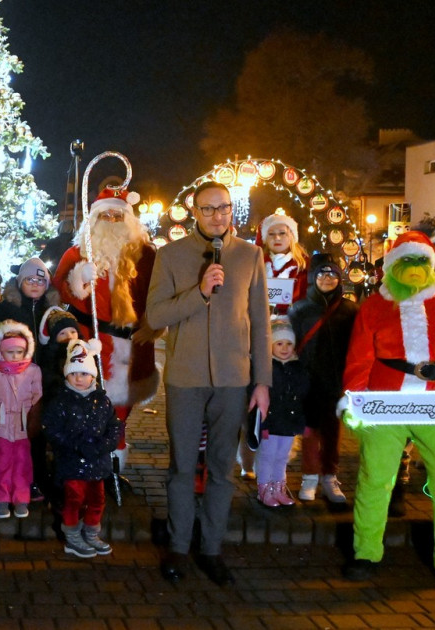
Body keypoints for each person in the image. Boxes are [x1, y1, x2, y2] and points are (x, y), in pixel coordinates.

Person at [341, 230, 435, 596]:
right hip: (385, 402)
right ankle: (366, 553)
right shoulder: (375, 305)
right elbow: (359, 356)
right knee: (375, 480)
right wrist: (354, 399)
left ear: (432, 263)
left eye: (421, 259)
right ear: (392, 265)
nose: (415, 267)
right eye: (407, 259)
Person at [145, 181, 271, 587]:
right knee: (182, 467)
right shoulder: (170, 255)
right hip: (186, 377)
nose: (218, 216)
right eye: (209, 209)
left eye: (224, 207)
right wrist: (199, 292)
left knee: (221, 469)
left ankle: (212, 548)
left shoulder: (250, 255)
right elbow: (155, 315)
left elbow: (261, 324)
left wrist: (262, 381)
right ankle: (179, 546)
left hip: (233, 379)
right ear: (194, 212)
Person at [53, 187, 160, 431]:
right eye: (105, 215)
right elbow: (58, 291)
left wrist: (154, 324)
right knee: (86, 405)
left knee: (122, 411)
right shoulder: (77, 253)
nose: (111, 221)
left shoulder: (145, 255)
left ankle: (116, 447)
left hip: (134, 344)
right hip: (91, 339)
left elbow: (159, 292)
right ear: (94, 219)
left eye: (118, 216)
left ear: (128, 220)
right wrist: (78, 279)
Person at [287, 254, 358, 503]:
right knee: (309, 431)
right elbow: (290, 345)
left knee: (332, 432)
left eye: (332, 274)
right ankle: (309, 477)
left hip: (337, 381)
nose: (327, 278)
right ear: (312, 277)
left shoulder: (350, 310)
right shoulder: (299, 309)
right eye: (321, 273)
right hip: (307, 380)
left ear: (340, 278)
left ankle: (330, 476)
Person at [42, 338, 121, 558]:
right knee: (73, 500)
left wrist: (105, 444)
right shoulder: (60, 401)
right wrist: (75, 445)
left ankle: (91, 532)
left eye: (84, 373)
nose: (79, 378)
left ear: (93, 376)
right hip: (72, 463)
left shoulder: (103, 401)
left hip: (97, 463)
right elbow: (52, 429)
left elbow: (114, 426)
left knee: (97, 500)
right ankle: (72, 536)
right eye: (74, 373)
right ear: (66, 374)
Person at [0, 319, 43, 519]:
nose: (15, 356)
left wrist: (36, 419)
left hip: (24, 425)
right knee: (2, 460)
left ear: (26, 351)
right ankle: (1, 497)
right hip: (1, 425)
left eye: (19, 352)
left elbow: (38, 397)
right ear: (0, 351)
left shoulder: (33, 371)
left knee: (23, 461)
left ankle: (21, 497)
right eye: (10, 352)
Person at [254, 320, 310, 508]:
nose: (284, 348)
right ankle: (264, 489)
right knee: (267, 455)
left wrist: (301, 420)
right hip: (270, 422)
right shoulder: (266, 367)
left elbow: (303, 395)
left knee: (282, 456)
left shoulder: (298, 367)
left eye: (288, 344)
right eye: (279, 343)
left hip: (289, 422)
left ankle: (278, 487)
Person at [259, 213, 308, 315]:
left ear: (292, 236)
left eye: (282, 233)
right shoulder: (257, 265)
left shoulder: (304, 266)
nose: (277, 238)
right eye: (271, 234)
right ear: (265, 239)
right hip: (261, 320)